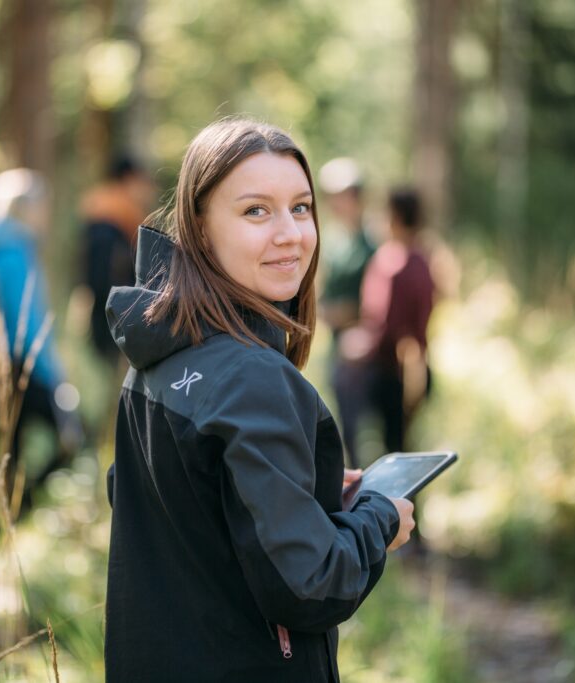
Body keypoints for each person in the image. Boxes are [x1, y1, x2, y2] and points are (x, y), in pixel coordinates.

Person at [102, 119, 416, 683]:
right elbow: (310, 584)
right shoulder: (251, 377)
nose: (291, 234)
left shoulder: (158, 352)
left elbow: (163, 498)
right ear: (199, 227)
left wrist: (301, 488)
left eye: (300, 208)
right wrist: (379, 517)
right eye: (256, 211)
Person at [0, 169, 84, 514]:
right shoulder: (16, 254)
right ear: (25, 209)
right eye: (42, 207)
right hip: (25, 365)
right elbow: (29, 323)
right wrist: (55, 376)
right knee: (72, 437)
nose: (46, 215)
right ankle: (16, 512)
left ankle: (0, 521)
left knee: (9, 448)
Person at [341, 188, 436, 455]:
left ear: (394, 217)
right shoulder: (423, 260)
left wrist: (362, 347)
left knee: (392, 448)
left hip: (391, 370)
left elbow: (383, 323)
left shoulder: (393, 263)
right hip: (413, 365)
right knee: (402, 445)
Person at [316, 158, 376, 468]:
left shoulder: (373, 241)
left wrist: (350, 314)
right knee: (346, 430)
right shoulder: (333, 241)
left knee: (375, 432)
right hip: (338, 349)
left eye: (341, 194)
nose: (335, 203)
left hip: (370, 354)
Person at [77, 156, 155, 365]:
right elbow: (107, 278)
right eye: (142, 183)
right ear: (128, 179)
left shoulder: (97, 211)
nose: (147, 191)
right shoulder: (115, 220)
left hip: (99, 314)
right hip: (113, 320)